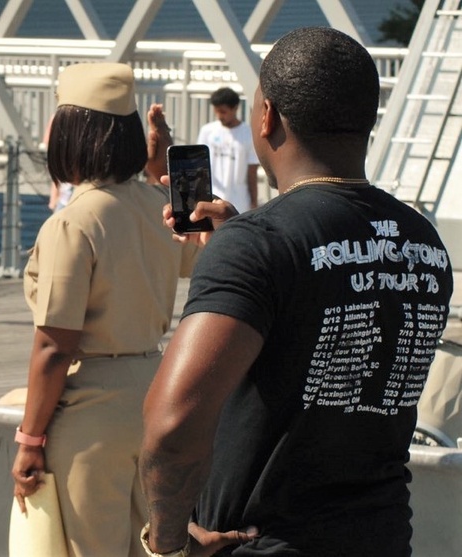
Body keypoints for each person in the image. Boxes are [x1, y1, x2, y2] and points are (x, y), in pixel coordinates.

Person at [139, 27, 454, 557]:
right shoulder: (423, 242)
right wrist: (243, 243)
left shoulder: (260, 245)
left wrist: (168, 542)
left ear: (267, 116)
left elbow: (172, 426)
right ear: (368, 121)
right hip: (382, 538)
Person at [10, 62, 200, 557]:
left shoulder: (73, 222)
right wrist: (169, 164)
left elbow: (54, 346)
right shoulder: (154, 203)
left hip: (91, 407)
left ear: (73, 134)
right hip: (154, 394)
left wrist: (30, 440)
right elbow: (197, 243)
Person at [197, 86, 260, 213]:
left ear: (235, 108)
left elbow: (252, 171)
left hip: (239, 203)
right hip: (212, 199)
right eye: (217, 111)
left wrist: (254, 202)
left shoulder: (248, 133)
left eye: (223, 111)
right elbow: (199, 167)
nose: (219, 116)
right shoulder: (207, 131)